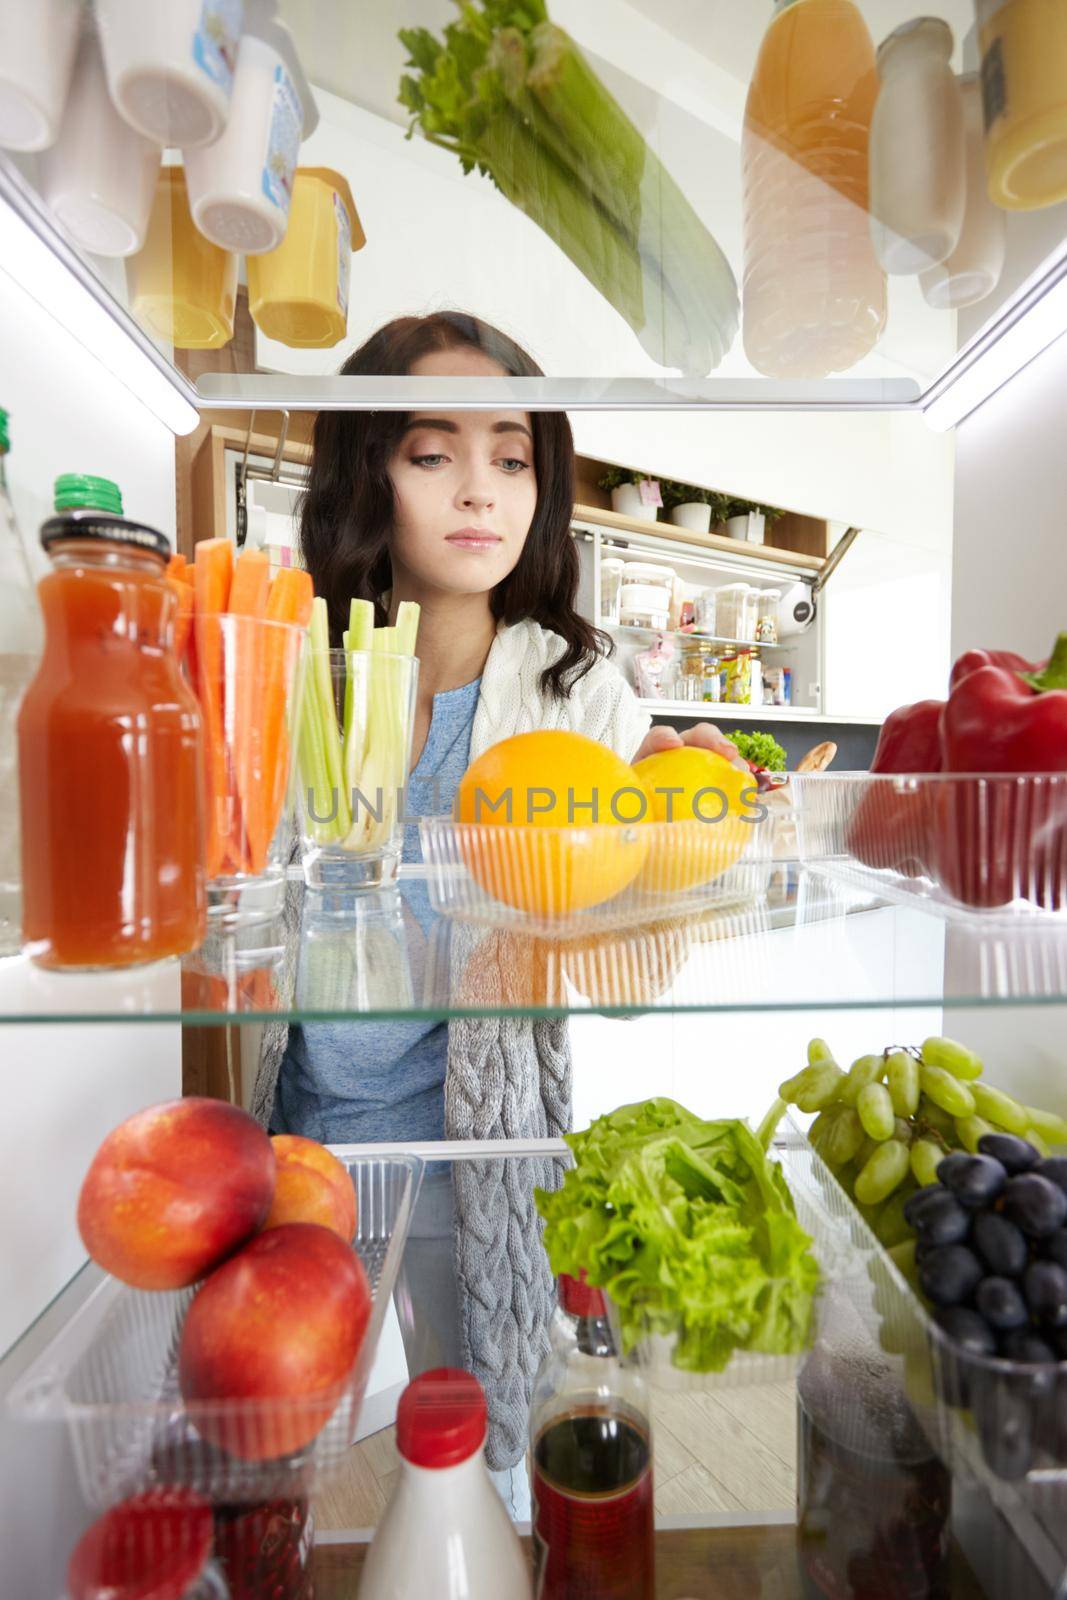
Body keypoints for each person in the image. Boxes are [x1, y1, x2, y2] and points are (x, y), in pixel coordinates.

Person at [251, 309, 740, 1494]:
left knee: (492, 1464)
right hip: (294, 1143)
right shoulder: (278, 661)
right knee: (260, 1468)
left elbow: (627, 992)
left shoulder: (584, 692)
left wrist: (682, 832)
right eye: (432, 453)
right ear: (367, 472)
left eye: (511, 457)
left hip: (481, 1139)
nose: (481, 490)